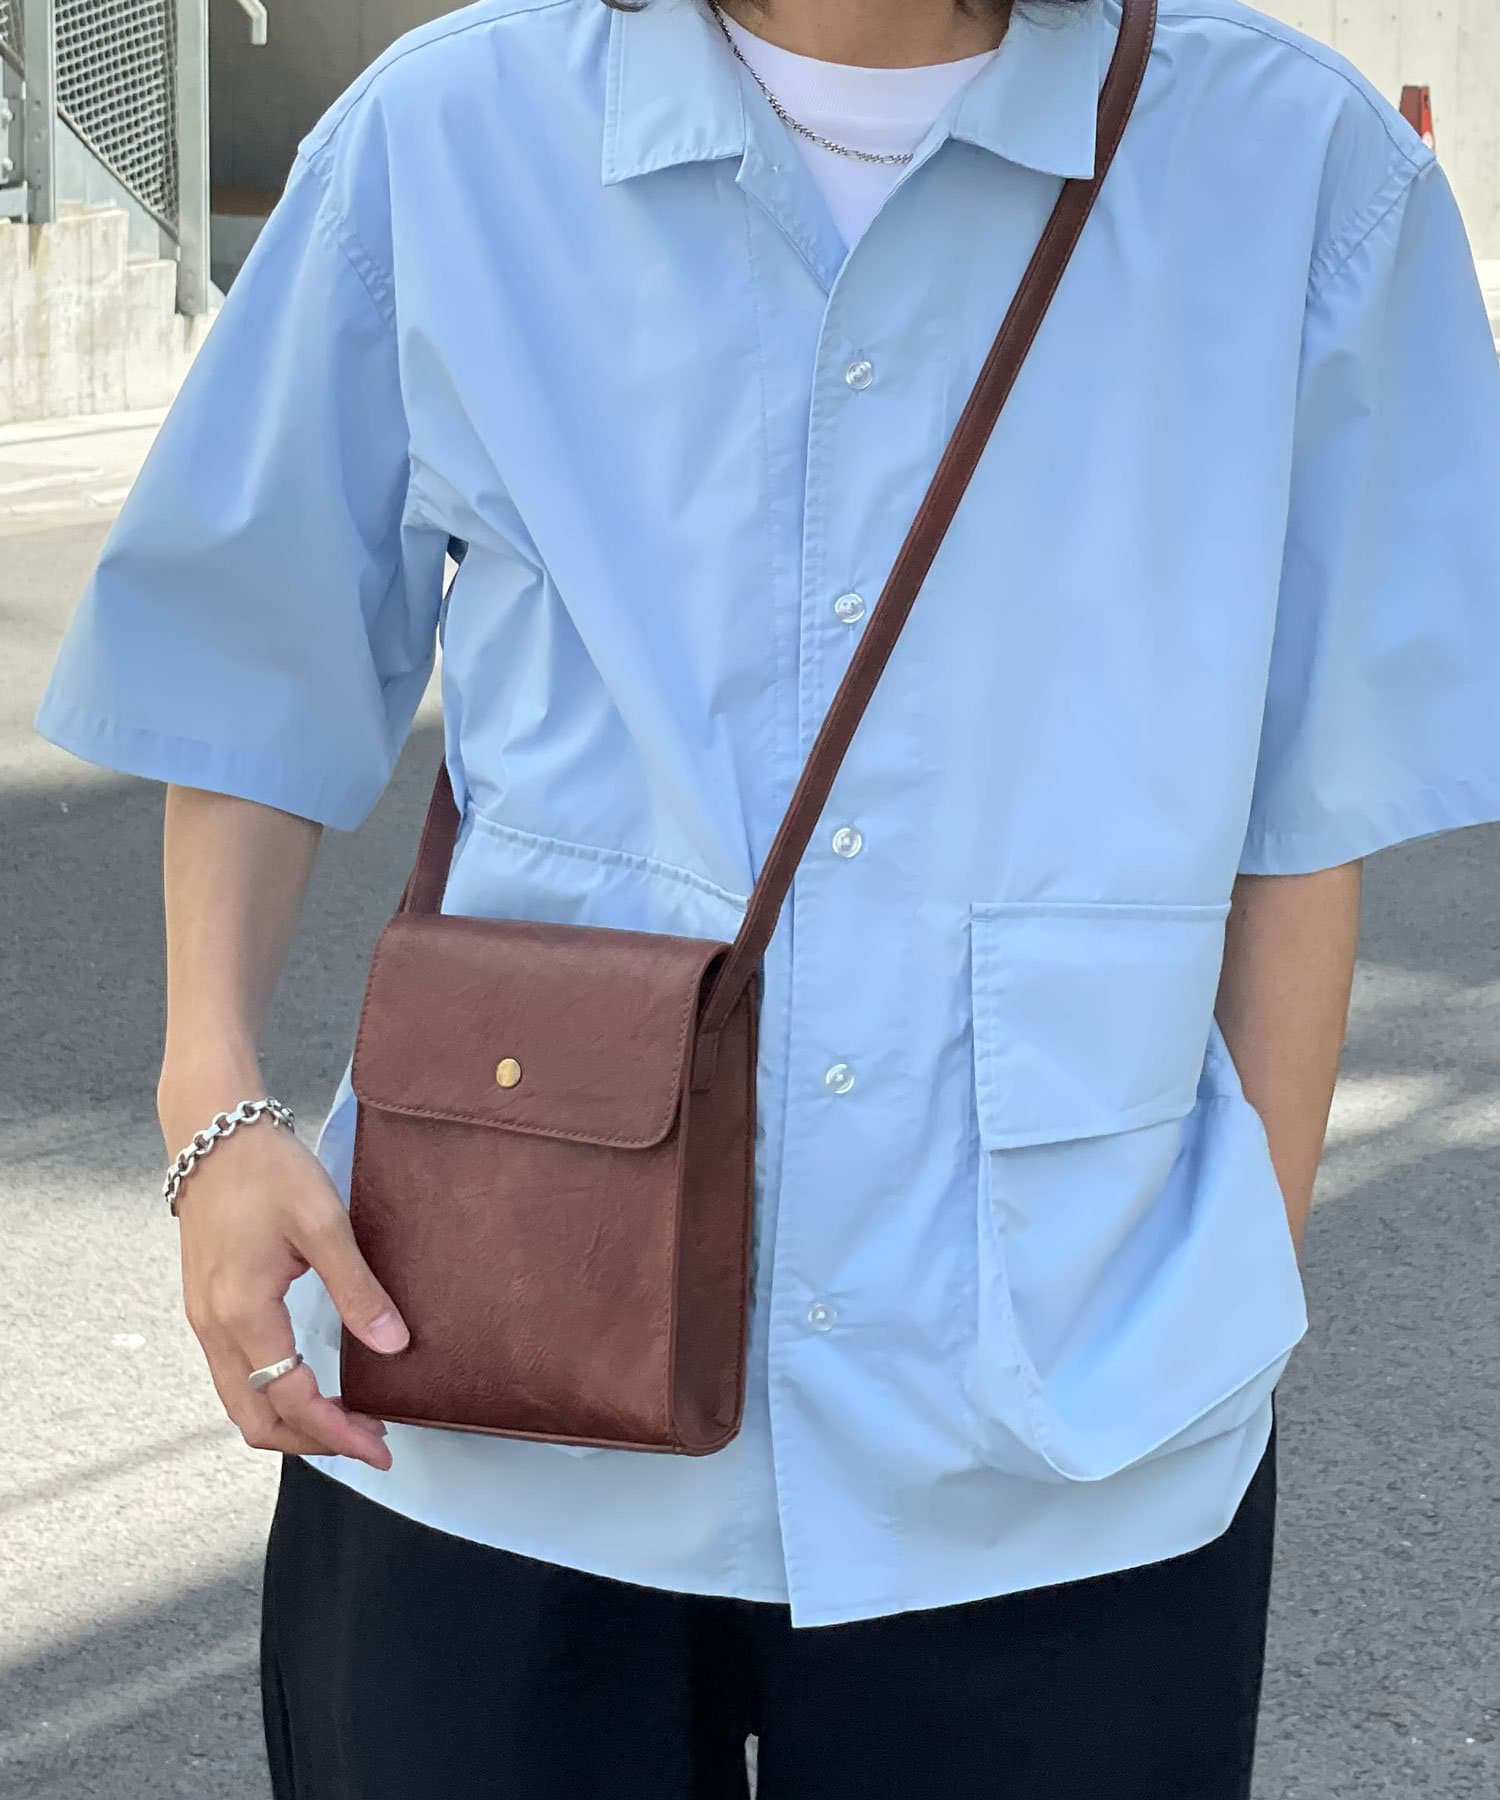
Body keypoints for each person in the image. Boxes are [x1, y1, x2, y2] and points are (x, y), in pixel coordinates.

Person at [34, 0, 1500, 1794]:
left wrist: (1240, 1264)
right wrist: (210, 1100)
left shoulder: (1301, 169)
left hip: (1069, 1437)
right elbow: (254, 657)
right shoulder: (453, 136)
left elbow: (1308, 801)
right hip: (496, 1382)